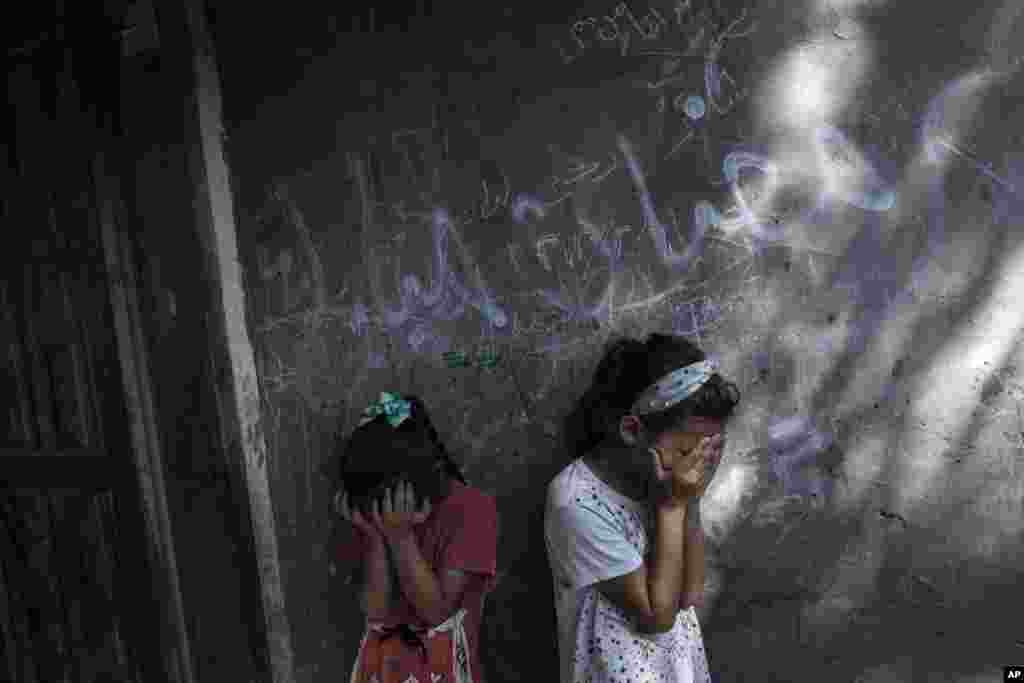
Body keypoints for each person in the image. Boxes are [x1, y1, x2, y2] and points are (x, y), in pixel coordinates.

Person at [546, 333, 741, 683]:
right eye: (686, 455)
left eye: (704, 457)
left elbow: (690, 594)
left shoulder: (667, 482)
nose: (692, 471)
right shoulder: (574, 501)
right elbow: (656, 616)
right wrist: (671, 507)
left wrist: (690, 500)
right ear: (632, 431)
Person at [330, 392, 498, 683]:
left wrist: (400, 538)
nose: (377, 504)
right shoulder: (373, 504)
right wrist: (374, 536)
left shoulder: (472, 510)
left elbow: (438, 613)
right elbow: (376, 612)